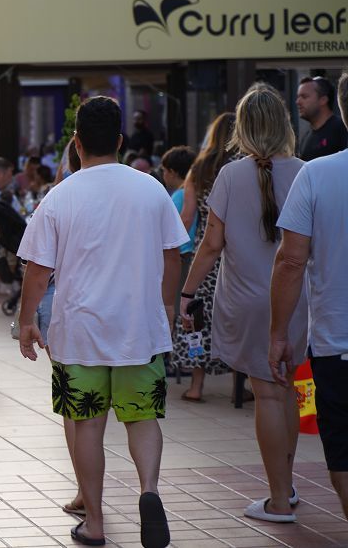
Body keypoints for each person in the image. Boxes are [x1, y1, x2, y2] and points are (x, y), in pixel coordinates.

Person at [16, 96, 186, 548]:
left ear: (76, 143)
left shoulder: (60, 196)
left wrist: (26, 321)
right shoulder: (150, 189)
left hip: (80, 333)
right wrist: (165, 306)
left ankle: (95, 522)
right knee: (142, 418)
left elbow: (37, 271)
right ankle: (149, 490)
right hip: (140, 330)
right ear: (119, 141)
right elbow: (174, 254)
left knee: (87, 425)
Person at [178, 85, 306, 522]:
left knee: (266, 396)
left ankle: (277, 499)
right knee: (285, 390)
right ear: (285, 123)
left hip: (247, 301)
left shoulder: (231, 176)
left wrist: (187, 293)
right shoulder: (306, 172)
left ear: (244, 128)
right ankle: (286, 487)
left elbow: (211, 246)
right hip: (295, 299)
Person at [270, 72, 348, 520]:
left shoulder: (316, 175)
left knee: (342, 451)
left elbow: (291, 260)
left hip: (337, 343)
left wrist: (279, 334)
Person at [174, 112, 237, 401]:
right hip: (236, 253)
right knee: (234, 319)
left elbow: (186, 217)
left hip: (205, 253)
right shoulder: (241, 168)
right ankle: (241, 384)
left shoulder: (198, 170)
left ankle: (196, 386)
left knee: (197, 318)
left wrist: (171, 248)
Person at [159, 146, 198, 326]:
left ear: (173, 172)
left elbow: (173, 226)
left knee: (174, 301)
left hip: (181, 255)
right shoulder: (195, 192)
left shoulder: (179, 195)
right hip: (193, 253)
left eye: (164, 171)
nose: (163, 175)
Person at [296, 76, 348, 161]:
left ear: (323, 100)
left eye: (304, 97)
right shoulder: (306, 137)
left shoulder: (341, 128)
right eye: (298, 97)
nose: (298, 102)